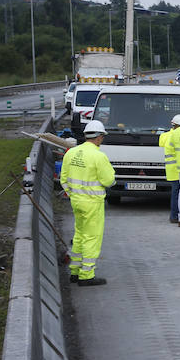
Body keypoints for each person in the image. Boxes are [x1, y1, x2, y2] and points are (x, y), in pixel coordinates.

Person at [59, 120, 116, 286]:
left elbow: (63, 179)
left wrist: (73, 194)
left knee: (79, 235)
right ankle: (87, 275)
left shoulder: (71, 152)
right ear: (99, 137)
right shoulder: (99, 156)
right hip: (92, 203)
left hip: (76, 202)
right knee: (92, 237)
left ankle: (75, 271)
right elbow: (108, 180)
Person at [159, 114, 180, 223]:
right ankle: (176, 216)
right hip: (179, 168)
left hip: (170, 169)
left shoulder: (164, 136)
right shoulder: (178, 136)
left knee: (175, 193)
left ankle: (174, 215)